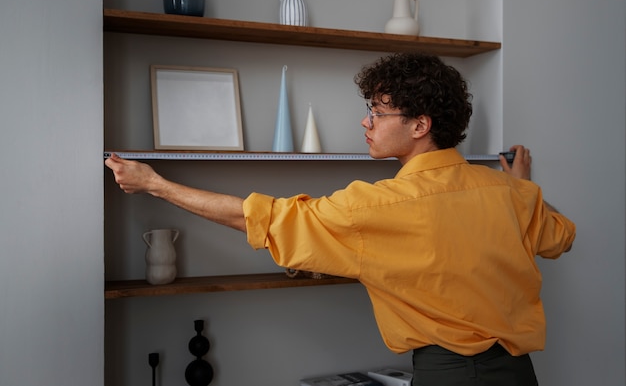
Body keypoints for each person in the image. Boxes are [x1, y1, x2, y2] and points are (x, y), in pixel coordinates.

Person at [105, 52, 575, 386]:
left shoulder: (374, 207)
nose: (365, 122)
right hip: (519, 374)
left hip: (448, 375)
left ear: (420, 125)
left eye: (377, 111)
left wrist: (154, 184)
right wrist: (523, 185)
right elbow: (561, 238)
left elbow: (261, 217)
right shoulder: (513, 194)